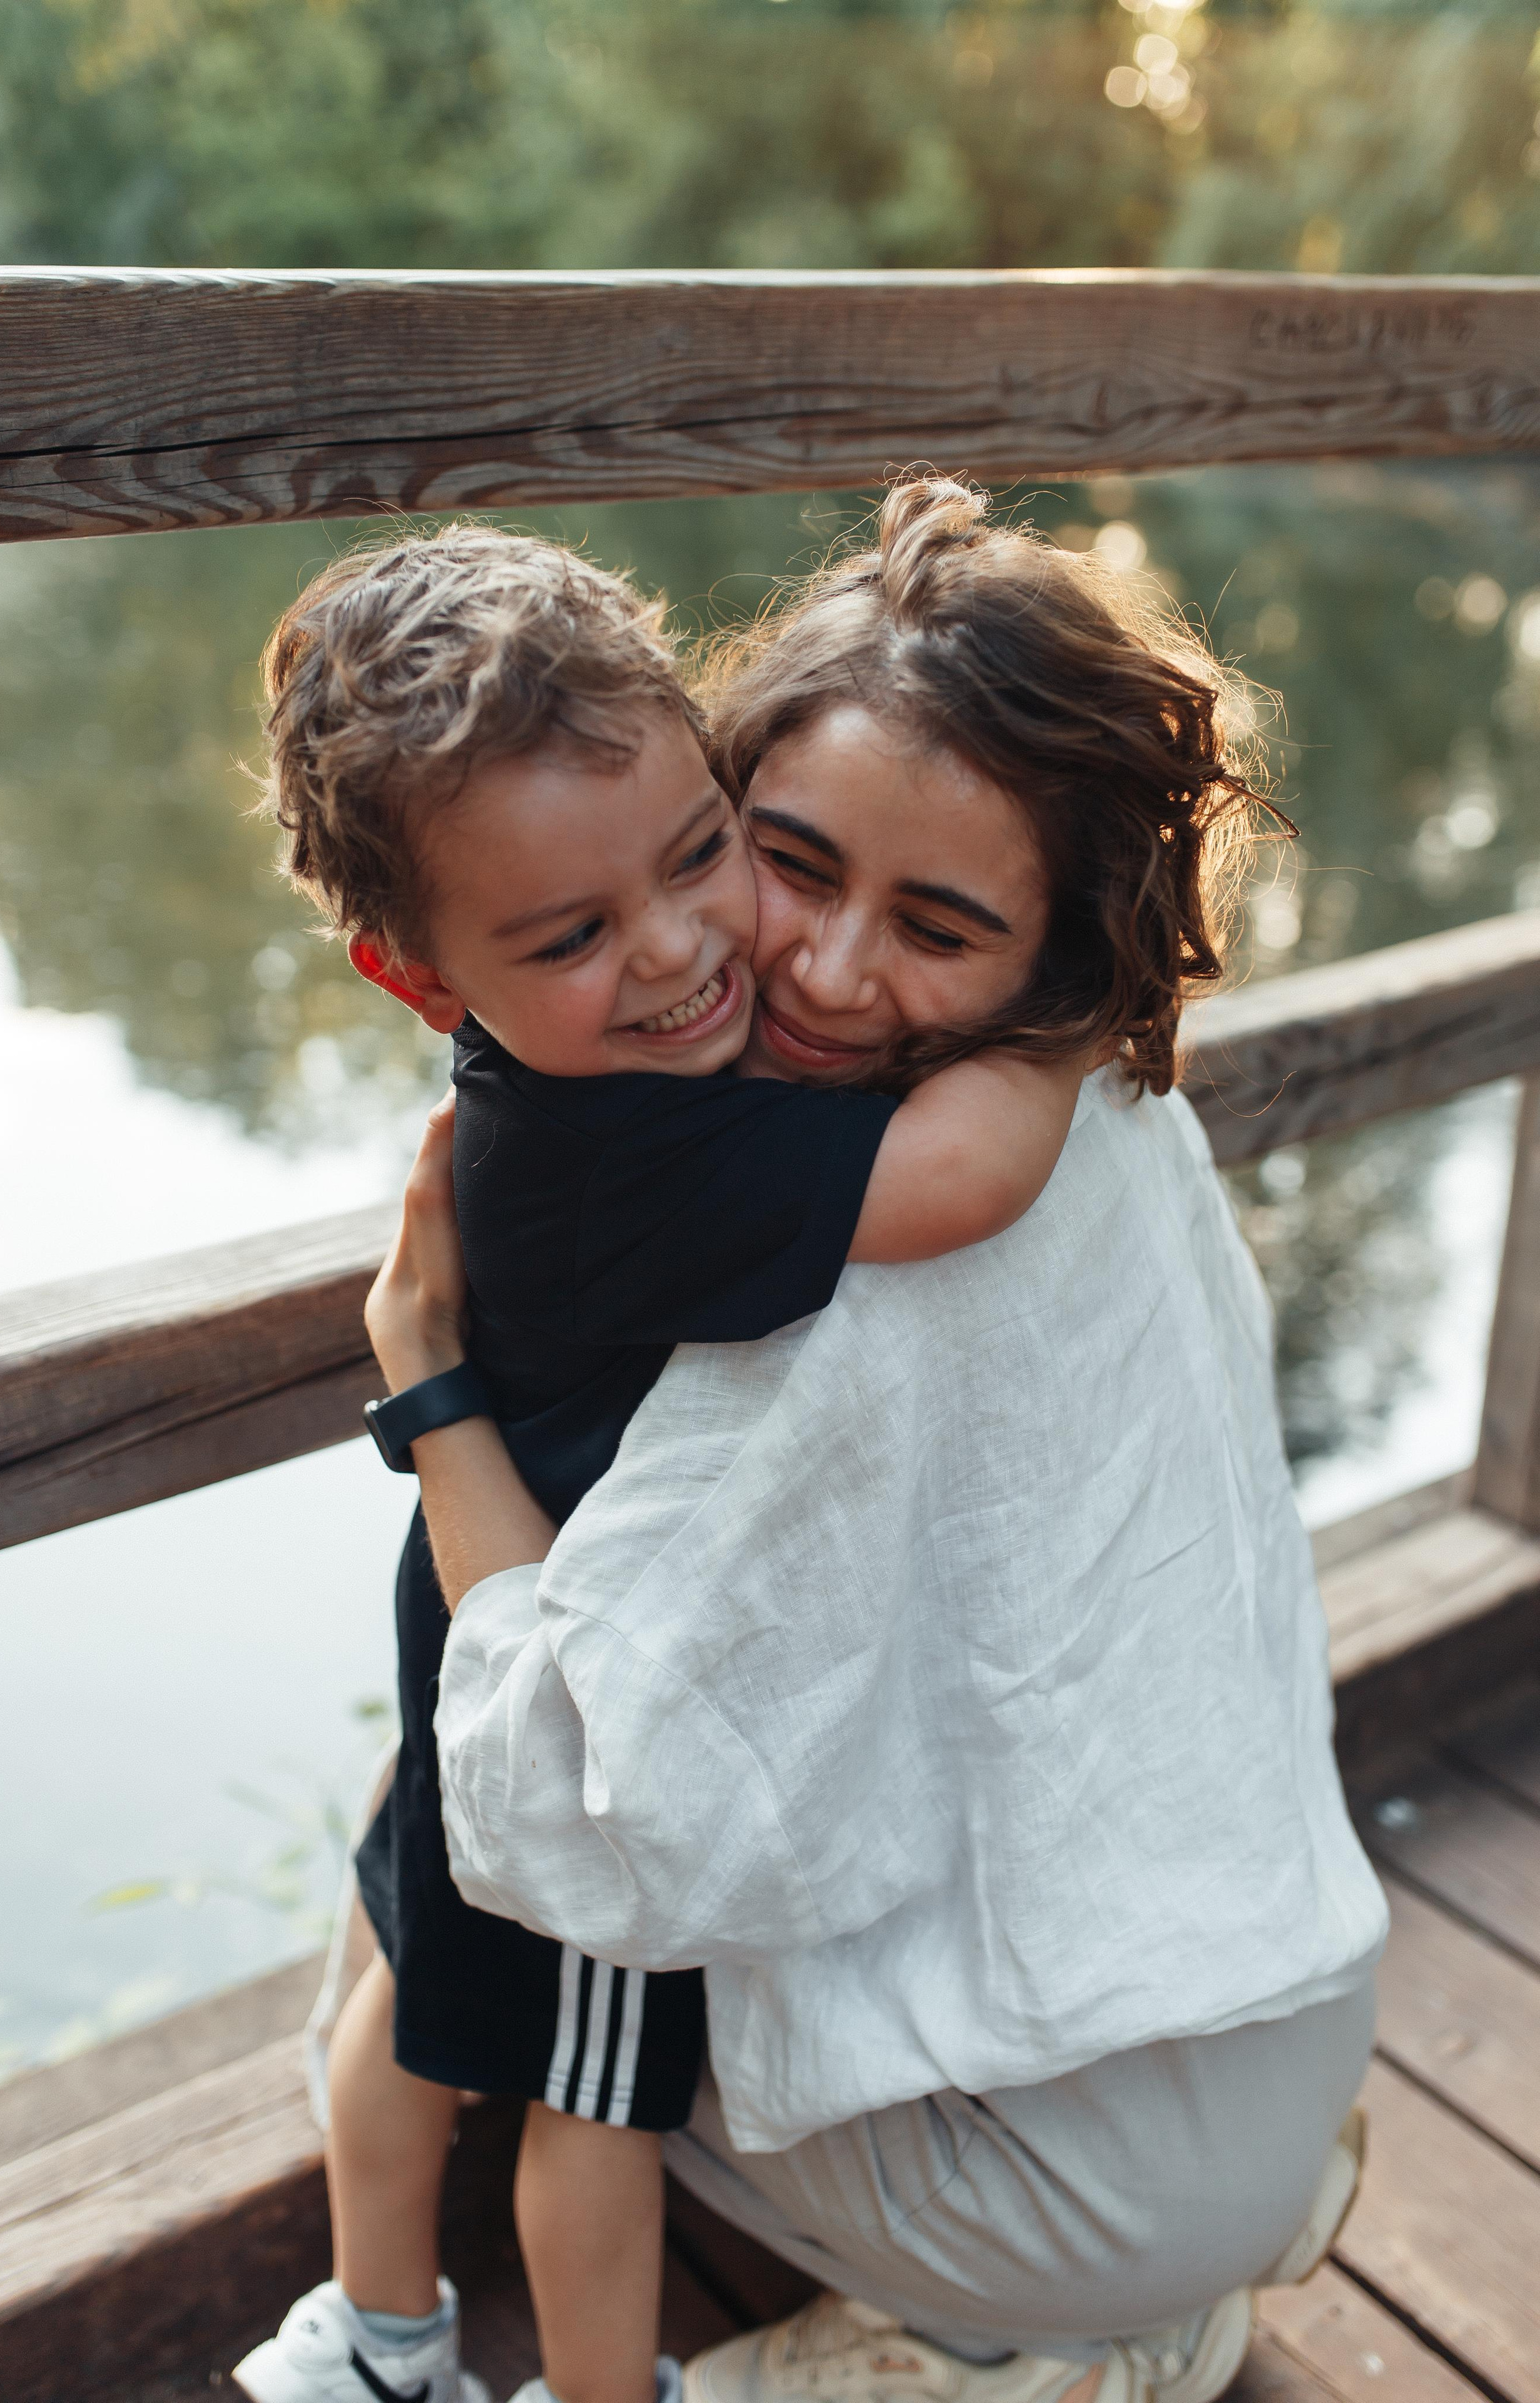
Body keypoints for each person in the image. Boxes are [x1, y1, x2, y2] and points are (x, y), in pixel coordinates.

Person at [366, 479, 1389, 2403]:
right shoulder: (1082, 1099)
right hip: (1282, 2016)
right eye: (783, 864)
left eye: (934, 922)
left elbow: (578, 1822)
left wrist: (428, 1389)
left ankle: (978, 2348)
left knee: (453, 1874)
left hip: (1069, 2195)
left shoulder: (851, 1251)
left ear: (1047, 940)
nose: (826, 976)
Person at [234, 518, 1085, 2403]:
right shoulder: (654, 1156)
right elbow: (967, 1177)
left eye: (699, 852)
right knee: (596, 2102)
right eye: (575, 935)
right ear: (412, 975)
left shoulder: (536, 1098)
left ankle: (371, 2340)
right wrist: (1068, 1008)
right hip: (597, 1709)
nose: (686, 950)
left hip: (465, 1639)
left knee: (411, 1988)